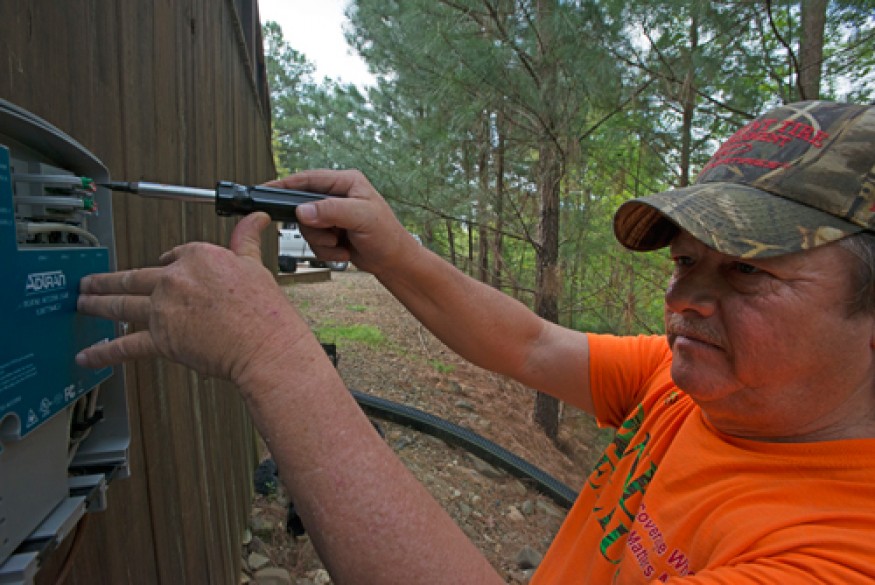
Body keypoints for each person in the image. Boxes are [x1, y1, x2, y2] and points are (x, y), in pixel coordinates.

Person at [76, 100, 875, 583]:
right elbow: (529, 345)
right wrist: (392, 250)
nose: (683, 299)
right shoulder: (701, 388)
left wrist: (269, 354)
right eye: (686, 262)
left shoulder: (841, 551)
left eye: (746, 271)